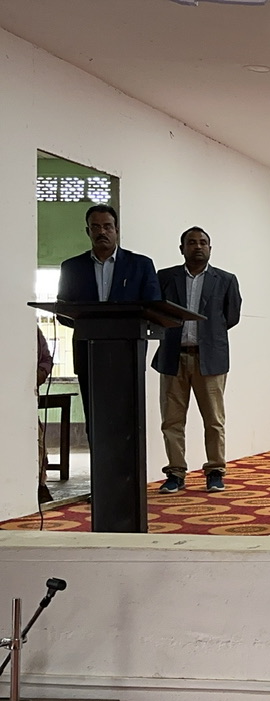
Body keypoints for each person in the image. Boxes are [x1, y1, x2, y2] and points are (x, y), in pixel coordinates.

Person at [56, 204, 161, 446]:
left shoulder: (141, 265)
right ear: (88, 231)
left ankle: (130, 471)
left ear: (117, 230)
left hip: (128, 353)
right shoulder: (71, 267)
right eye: (95, 227)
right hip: (88, 353)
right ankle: (99, 469)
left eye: (107, 227)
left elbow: (153, 307)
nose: (102, 232)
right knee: (95, 421)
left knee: (128, 421)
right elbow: (63, 311)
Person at [151, 227, 243, 494]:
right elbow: (156, 311)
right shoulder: (165, 278)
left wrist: (208, 336)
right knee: (171, 421)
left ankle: (215, 471)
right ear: (182, 249)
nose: (198, 246)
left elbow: (231, 317)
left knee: (214, 420)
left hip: (209, 359)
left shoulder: (225, 280)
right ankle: (175, 473)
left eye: (203, 242)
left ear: (210, 248)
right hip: (173, 357)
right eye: (191, 242)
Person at [36, 327, 54, 504]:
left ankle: (39, 485)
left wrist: (39, 374)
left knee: (36, 440)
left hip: (26, 395)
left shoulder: (31, 329)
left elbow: (46, 360)